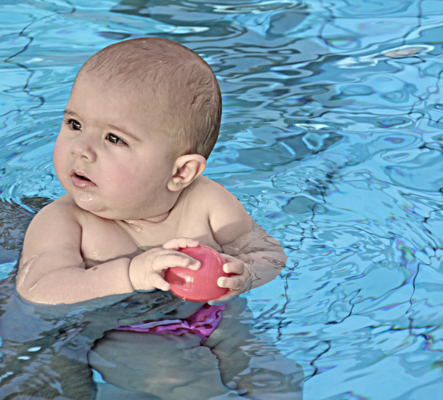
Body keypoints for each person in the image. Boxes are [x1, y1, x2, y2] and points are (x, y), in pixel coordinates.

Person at [13, 38, 302, 399]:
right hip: (125, 332)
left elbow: (267, 251)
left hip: (218, 318)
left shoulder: (207, 201)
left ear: (181, 172)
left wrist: (246, 275)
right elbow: (39, 291)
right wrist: (128, 274)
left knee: (277, 380)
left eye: (114, 138)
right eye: (74, 124)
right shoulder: (64, 221)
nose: (80, 149)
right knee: (187, 385)